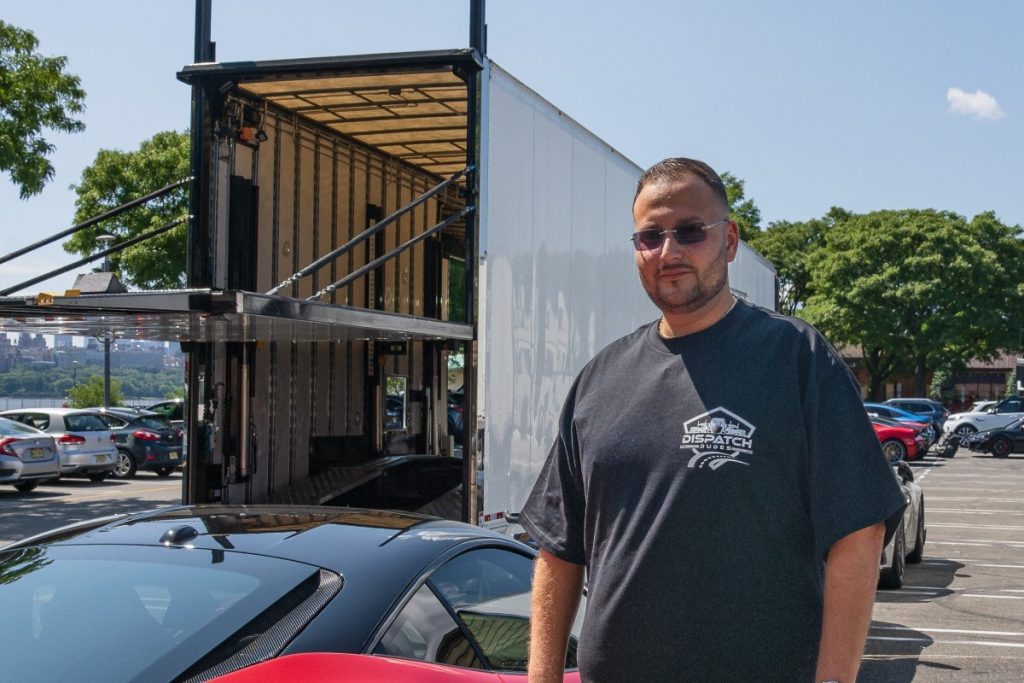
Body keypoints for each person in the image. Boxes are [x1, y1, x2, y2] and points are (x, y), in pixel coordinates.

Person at [520, 157, 906, 683]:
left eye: (689, 231)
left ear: (728, 241)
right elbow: (559, 549)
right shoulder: (599, 379)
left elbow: (859, 530)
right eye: (650, 236)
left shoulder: (796, 359)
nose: (669, 251)